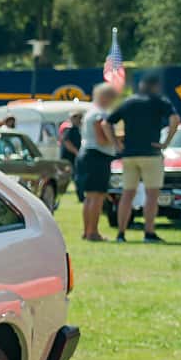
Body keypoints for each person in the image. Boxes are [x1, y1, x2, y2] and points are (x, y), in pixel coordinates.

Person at [110, 71, 181, 243]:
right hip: (151, 153)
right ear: (156, 86)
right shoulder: (160, 101)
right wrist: (166, 143)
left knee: (127, 194)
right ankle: (149, 232)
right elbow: (175, 119)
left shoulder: (129, 102)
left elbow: (107, 122)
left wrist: (116, 144)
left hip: (129, 154)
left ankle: (121, 233)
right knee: (152, 195)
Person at [76, 84, 119, 242]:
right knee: (98, 196)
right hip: (97, 156)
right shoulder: (100, 114)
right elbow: (102, 138)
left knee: (90, 196)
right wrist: (115, 141)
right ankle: (93, 232)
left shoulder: (90, 112)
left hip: (87, 155)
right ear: (105, 97)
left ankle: (87, 231)